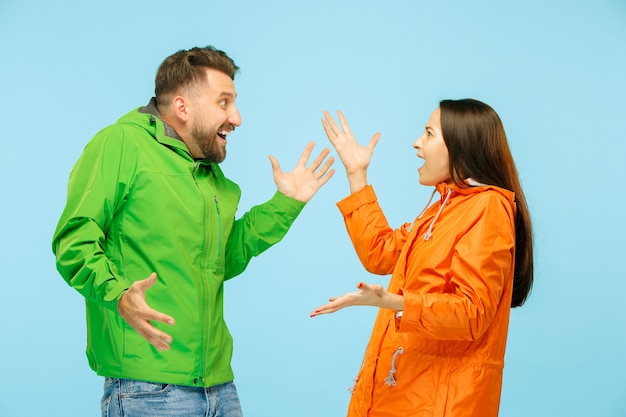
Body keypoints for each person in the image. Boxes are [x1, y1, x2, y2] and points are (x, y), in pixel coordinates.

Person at [52, 46, 335, 417]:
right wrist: (119, 294)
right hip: (148, 389)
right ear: (183, 107)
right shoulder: (121, 144)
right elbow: (74, 240)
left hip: (219, 387)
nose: (236, 117)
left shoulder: (209, 176)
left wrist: (286, 203)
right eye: (224, 102)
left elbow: (223, 260)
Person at [311, 99, 533, 417]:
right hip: (398, 393)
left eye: (429, 133)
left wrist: (398, 302)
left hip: (437, 403)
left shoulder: (488, 208)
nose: (417, 142)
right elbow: (381, 252)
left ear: (461, 145)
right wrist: (356, 174)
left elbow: (473, 313)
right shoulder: (441, 209)